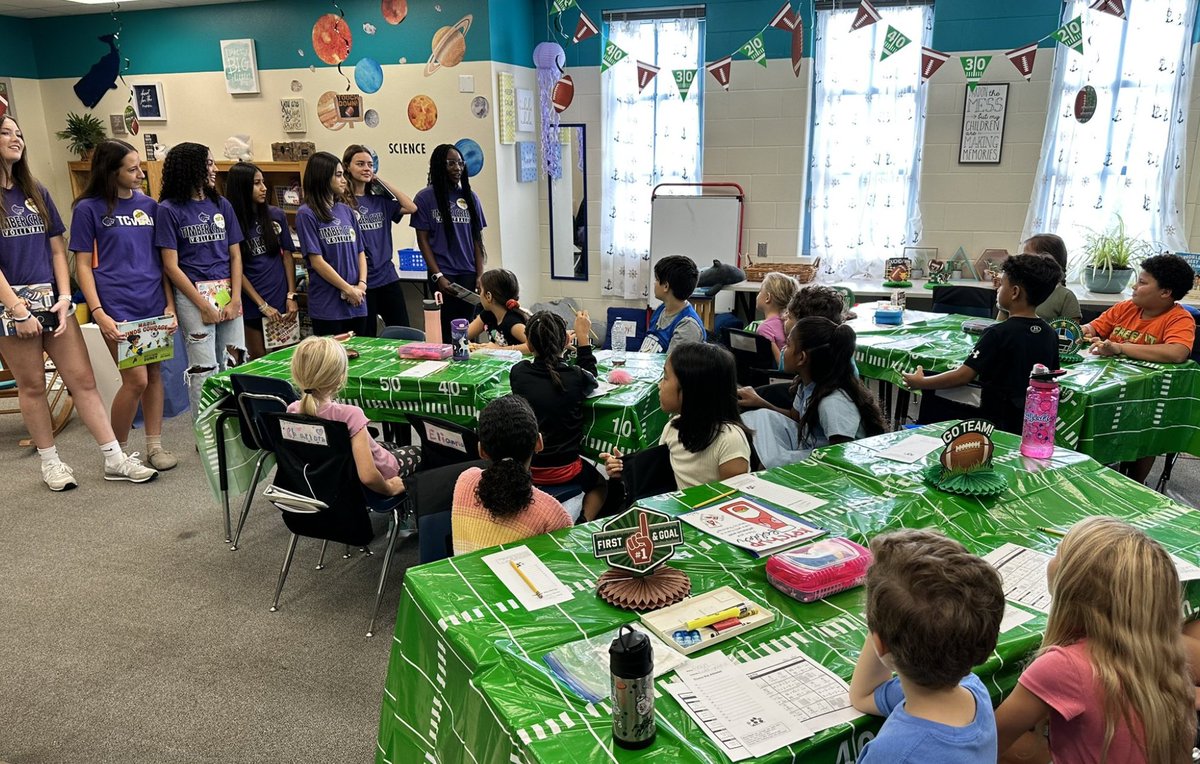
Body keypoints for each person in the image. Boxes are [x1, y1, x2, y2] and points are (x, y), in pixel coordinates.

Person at [0, 115, 157, 490]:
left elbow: (57, 249)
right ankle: (51, 463)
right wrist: (18, 309)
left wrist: (66, 295)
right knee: (33, 385)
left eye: (19, 133)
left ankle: (115, 458)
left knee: (82, 381)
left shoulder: (35, 190)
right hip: (11, 304)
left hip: (54, 299)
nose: (15, 139)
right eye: (5, 132)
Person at [995, 516, 1196, 763]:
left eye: (1058, 552)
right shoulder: (1162, 654)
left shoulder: (1062, 667)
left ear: (1073, 584)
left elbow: (987, 741)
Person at [849, 529, 1005, 763]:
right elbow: (863, 696)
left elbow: (861, 695)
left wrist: (879, 622)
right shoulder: (974, 691)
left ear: (879, 644)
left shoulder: (891, 754)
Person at [72, 139, 177, 471]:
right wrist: (99, 311)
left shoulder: (150, 206)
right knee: (136, 380)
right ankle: (116, 454)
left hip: (152, 302)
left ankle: (154, 446)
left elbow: (161, 262)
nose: (140, 174)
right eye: (131, 169)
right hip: (117, 306)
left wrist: (170, 304)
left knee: (155, 375)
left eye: (139, 167)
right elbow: (83, 266)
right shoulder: (88, 209)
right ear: (110, 171)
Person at [902, 254, 1061, 434]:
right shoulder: (1050, 334)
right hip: (1029, 425)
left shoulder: (997, 333)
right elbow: (1050, 381)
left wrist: (921, 382)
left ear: (1015, 292)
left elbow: (963, 376)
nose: (998, 290)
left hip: (991, 424)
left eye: (1002, 285)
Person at [157, 141, 245, 419]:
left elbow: (235, 256)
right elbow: (171, 266)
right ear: (190, 168)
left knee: (234, 361)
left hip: (228, 293)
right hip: (192, 296)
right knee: (204, 368)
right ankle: (205, 432)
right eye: (209, 163)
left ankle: (233, 424)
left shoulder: (222, 204)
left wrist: (236, 298)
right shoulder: (168, 209)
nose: (215, 169)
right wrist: (202, 305)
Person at [286, 336, 420, 509]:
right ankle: (408, 514)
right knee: (418, 451)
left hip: (326, 478)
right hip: (370, 475)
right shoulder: (350, 415)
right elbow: (368, 476)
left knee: (390, 445)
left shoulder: (292, 410)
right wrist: (389, 489)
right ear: (340, 378)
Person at [739, 317, 885, 468]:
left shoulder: (833, 402)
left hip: (835, 459)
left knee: (770, 464)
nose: (783, 349)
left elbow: (841, 454)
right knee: (758, 416)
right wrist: (759, 402)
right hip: (811, 444)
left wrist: (785, 461)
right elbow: (795, 417)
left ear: (801, 358)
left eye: (788, 345)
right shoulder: (806, 383)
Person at [602, 342, 751, 490]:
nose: (659, 385)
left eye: (665, 377)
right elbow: (659, 476)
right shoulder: (673, 428)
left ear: (690, 389)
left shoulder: (730, 440)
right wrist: (626, 467)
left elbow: (733, 502)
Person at [510, 310, 607, 521]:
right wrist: (583, 338)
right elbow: (591, 374)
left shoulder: (518, 373)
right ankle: (582, 523)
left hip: (529, 467)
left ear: (529, 342)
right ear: (566, 340)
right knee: (602, 484)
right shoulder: (576, 376)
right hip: (567, 468)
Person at [452, 394, 573, 555]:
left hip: (462, 579)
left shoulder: (465, 481)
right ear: (539, 443)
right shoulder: (553, 514)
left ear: (481, 450)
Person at [411, 144, 487, 341]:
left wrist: (480, 275)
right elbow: (423, 241)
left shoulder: (470, 197)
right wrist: (438, 275)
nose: (457, 168)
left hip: (467, 274)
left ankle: (465, 367)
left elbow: (477, 240)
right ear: (438, 165)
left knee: (466, 330)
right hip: (443, 274)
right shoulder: (425, 197)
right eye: (451, 163)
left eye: (460, 163)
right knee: (445, 329)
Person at [224, 162, 298, 360]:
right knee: (259, 356)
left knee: (285, 356)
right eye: (257, 183)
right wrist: (261, 305)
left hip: (280, 297)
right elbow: (237, 266)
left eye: (263, 182)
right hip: (251, 301)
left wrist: (291, 296)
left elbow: (288, 257)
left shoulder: (276, 215)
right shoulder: (232, 221)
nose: (264, 188)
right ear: (241, 187)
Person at [342, 145, 417, 334]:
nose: (366, 168)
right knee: (366, 335)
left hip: (387, 277)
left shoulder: (380, 201)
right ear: (347, 167)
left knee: (402, 332)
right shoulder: (341, 204)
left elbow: (411, 207)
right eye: (360, 164)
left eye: (370, 164)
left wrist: (380, 182)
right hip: (360, 281)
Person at [295, 151, 370, 337]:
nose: (344, 180)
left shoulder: (346, 211)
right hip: (329, 306)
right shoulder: (306, 214)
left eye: (342, 174)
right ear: (322, 177)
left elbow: (360, 252)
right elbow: (317, 261)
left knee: (361, 357)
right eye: (338, 175)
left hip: (356, 301)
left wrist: (361, 285)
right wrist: (347, 289)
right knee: (333, 362)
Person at [997, 233, 1082, 323]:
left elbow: (1072, 332)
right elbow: (998, 324)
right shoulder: (1016, 290)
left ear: (1046, 260)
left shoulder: (1066, 297)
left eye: (1027, 256)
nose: (1021, 260)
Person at [640, 255, 704, 352]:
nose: (654, 283)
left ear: (666, 286)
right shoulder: (661, 309)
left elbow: (672, 366)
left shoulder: (688, 326)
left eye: (657, 279)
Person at [467, 268, 529, 352]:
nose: (479, 294)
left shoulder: (512, 322)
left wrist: (499, 349)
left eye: (480, 291)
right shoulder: (487, 314)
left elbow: (533, 347)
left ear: (489, 296)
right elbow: (464, 335)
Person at [753, 272, 798, 363]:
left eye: (760, 291)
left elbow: (778, 364)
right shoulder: (790, 321)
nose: (758, 295)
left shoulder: (765, 328)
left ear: (768, 298)